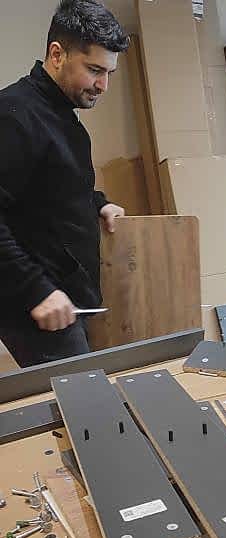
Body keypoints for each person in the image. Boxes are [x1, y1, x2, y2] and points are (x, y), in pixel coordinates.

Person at [0, 0, 130, 367]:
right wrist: (36, 290)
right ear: (57, 55)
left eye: (109, 73)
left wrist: (98, 203)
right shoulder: (14, 115)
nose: (103, 85)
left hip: (66, 297)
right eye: (94, 70)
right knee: (82, 395)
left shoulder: (61, 117)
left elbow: (50, 187)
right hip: (38, 305)